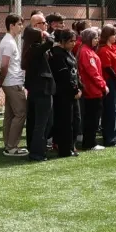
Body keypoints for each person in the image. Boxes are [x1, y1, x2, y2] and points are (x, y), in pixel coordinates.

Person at [22, 27, 56, 161]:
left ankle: (36, 148)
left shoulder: (31, 49)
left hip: (37, 90)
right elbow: (50, 42)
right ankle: (37, 152)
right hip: (42, 90)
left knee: (42, 122)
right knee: (42, 123)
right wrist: (47, 35)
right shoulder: (35, 48)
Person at [0, 14, 28, 156]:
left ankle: (8, 145)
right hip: (13, 82)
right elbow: (4, 64)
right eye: (19, 24)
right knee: (21, 113)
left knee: (10, 114)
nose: (21, 27)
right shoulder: (9, 42)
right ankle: (12, 146)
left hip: (10, 82)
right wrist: (1, 80)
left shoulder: (9, 41)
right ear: (11, 25)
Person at [48, 30, 80, 158]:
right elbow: (64, 76)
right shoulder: (57, 55)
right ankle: (65, 149)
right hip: (63, 94)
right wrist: (74, 90)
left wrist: (79, 87)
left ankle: (71, 145)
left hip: (73, 93)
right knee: (65, 122)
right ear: (62, 41)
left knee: (75, 121)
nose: (73, 44)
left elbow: (75, 73)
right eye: (70, 41)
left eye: (74, 41)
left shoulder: (69, 53)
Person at [76, 28, 106, 151]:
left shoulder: (88, 51)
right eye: (94, 38)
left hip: (93, 89)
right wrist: (103, 85)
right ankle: (90, 142)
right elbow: (92, 72)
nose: (97, 40)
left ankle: (90, 141)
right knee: (92, 117)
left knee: (93, 117)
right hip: (92, 90)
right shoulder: (86, 52)